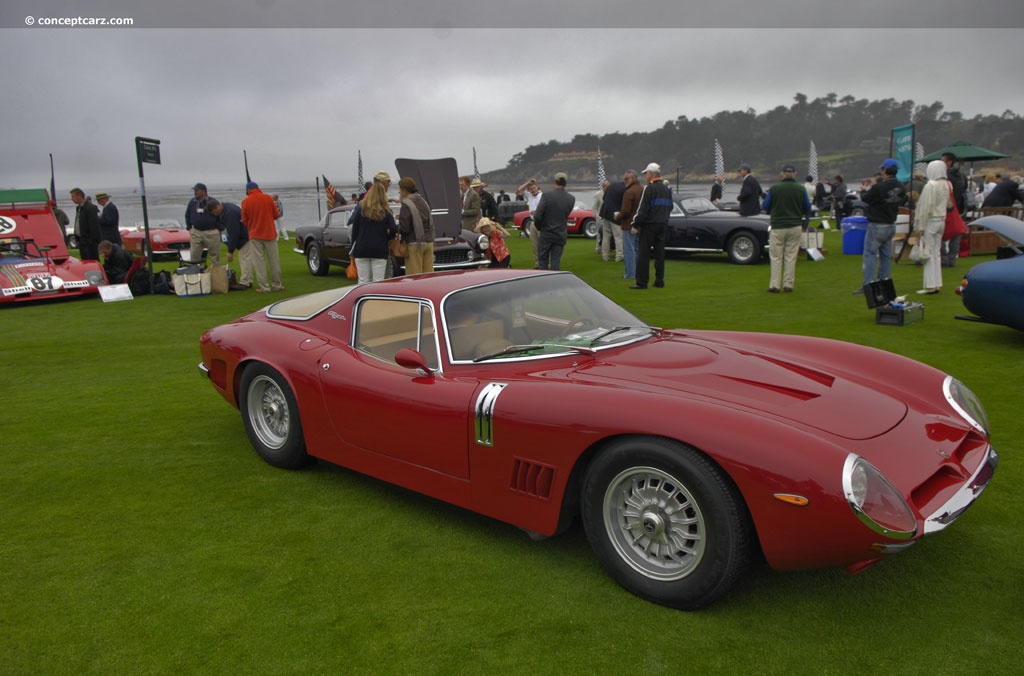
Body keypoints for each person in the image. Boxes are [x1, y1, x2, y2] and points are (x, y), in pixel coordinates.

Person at [854, 158, 906, 294]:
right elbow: (887, 193)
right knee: (885, 256)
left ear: (884, 170)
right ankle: (884, 282)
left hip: (877, 224)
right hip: (890, 224)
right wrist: (876, 183)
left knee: (870, 254)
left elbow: (866, 199)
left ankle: (868, 284)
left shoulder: (879, 187)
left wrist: (863, 190)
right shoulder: (901, 187)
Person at [761, 163, 811, 293]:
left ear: (782, 173)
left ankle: (775, 285)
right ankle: (788, 284)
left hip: (778, 225)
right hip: (795, 225)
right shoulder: (801, 189)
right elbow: (807, 208)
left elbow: (765, 206)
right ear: (794, 174)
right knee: (791, 256)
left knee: (776, 257)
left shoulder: (775, 188)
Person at [629, 163, 673, 289]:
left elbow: (643, 209)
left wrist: (635, 224)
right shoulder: (666, 189)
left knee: (644, 254)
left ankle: (642, 282)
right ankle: (659, 281)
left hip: (650, 225)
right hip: (662, 223)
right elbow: (670, 207)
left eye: (646, 173)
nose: (645, 176)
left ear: (651, 174)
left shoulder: (649, 188)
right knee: (660, 254)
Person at [913, 160, 952, 295]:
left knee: (928, 253)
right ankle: (936, 283)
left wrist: (921, 225)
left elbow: (925, 207)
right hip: (942, 220)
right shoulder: (947, 184)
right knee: (936, 252)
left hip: (931, 221)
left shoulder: (931, 185)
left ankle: (930, 285)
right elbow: (949, 204)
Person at [349, 174, 396, 284]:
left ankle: (362, 300)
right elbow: (393, 229)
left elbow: (354, 229)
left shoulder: (361, 209)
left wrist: (353, 245)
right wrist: (387, 237)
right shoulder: (385, 211)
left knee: (363, 280)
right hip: (379, 248)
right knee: (378, 281)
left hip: (362, 248)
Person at [240, 181, 283, 293]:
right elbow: (276, 215)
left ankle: (264, 287)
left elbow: (244, 220)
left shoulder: (245, 201)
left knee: (259, 262)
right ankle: (277, 285)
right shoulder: (268, 198)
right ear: (258, 188)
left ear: (248, 190)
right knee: (274, 260)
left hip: (255, 235)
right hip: (270, 233)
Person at [532, 172, 575, 271]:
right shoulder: (571, 199)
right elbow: (565, 214)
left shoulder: (547, 196)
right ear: (565, 183)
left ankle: (543, 282)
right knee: (556, 260)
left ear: (555, 181)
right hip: (560, 233)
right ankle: (554, 282)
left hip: (546, 232)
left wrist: (540, 227)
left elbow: (537, 216)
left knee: (543, 260)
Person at [208, 198, 254, 290]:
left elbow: (233, 232)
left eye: (214, 211)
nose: (215, 214)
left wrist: (230, 251)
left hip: (245, 237)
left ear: (218, 206)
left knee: (244, 259)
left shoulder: (229, 213)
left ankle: (246, 282)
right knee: (245, 258)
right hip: (245, 235)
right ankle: (247, 280)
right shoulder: (226, 208)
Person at [398, 176, 435, 274]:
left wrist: (398, 229)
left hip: (415, 243)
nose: (400, 193)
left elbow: (405, 228)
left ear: (404, 190)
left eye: (400, 190)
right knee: (429, 275)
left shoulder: (406, 204)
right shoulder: (423, 201)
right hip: (429, 241)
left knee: (414, 277)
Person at [184, 182, 222, 266]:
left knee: (215, 256)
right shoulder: (193, 202)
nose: (195, 192)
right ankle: (196, 275)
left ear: (204, 191)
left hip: (211, 232)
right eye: (195, 190)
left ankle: (216, 275)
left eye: (197, 190)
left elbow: (220, 215)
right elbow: (187, 215)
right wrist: (189, 227)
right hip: (196, 232)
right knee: (194, 255)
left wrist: (219, 229)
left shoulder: (212, 201)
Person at [941, 152, 968, 268]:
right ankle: (952, 259)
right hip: (959, 209)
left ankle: (944, 259)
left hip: (947, 209)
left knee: (940, 235)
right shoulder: (962, 175)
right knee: (955, 235)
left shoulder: (945, 177)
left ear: (949, 162)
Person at [616, 169, 642, 280]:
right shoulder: (642, 190)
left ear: (633, 179)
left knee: (629, 250)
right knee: (637, 250)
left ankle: (630, 273)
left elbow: (625, 211)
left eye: (626, 179)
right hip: (640, 224)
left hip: (629, 225)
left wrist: (618, 216)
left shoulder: (629, 192)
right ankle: (637, 272)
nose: (624, 181)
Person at [516, 178, 543, 266]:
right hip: (533, 222)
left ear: (537, 187)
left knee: (542, 244)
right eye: (531, 189)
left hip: (541, 222)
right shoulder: (529, 195)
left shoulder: (542, 195)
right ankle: (537, 264)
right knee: (534, 245)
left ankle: (545, 263)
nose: (533, 190)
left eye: (534, 188)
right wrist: (528, 183)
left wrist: (536, 212)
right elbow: (518, 191)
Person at [69, 187, 100, 260]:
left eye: (73, 196)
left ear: (79, 196)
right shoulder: (79, 208)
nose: (72, 199)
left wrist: (90, 241)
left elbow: (93, 226)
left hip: (88, 243)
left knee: (91, 261)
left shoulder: (90, 208)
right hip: (81, 241)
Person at [599, 177, 625, 263]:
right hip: (615, 214)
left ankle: (605, 256)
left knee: (606, 236)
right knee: (618, 236)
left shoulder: (612, 186)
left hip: (605, 212)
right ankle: (619, 256)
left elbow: (604, 198)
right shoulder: (624, 189)